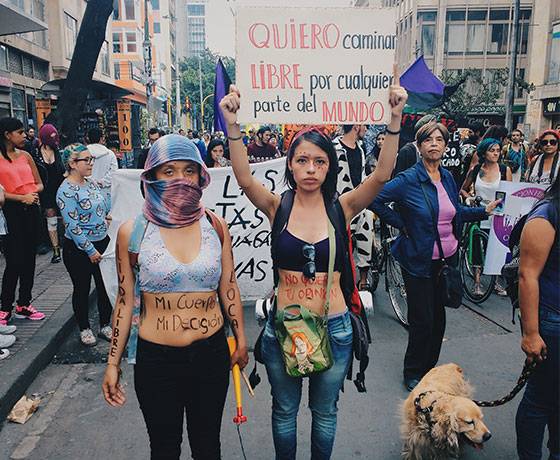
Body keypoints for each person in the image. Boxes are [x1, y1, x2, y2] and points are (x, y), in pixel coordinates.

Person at [220, 69, 408, 459]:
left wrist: (394, 119)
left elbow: (382, 175)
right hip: (283, 328)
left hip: (334, 327)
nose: (309, 168)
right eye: (301, 160)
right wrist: (233, 124)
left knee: (325, 413)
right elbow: (242, 176)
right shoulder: (277, 206)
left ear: (329, 167)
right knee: (284, 411)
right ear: (290, 165)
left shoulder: (342, 207)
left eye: (318, 162)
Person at [101, 134, 249, 459]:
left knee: (208, 447)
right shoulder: (133, 232)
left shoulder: (216, 227)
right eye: (169, 171)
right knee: (165, 449)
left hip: (210, 356)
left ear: (200, 175)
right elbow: (125, 302)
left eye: (188, 170)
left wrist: (240, 339)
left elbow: (229, 287)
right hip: (156, 362)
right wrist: (113, 363)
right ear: (151, 177)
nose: (180, 179)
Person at [370, 121, 500, 392]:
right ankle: (413, 372)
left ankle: (429, 369)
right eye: (428, 140)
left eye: (439, 140)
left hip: (446, 260)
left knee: (439, 320)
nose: (434, 144)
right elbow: (374, 198)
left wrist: (483, 212)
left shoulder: (449, 178)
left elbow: (456, 212)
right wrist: (402, 223)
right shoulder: (408, 179)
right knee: (422, 320)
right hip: (417, 260)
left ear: (444, 145)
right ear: (419, 146)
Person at [515, 175, 559, 460]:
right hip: (553, 321)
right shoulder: (546, 215)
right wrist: (531, 333)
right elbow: (527, 275)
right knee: (540, 399)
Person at [56, 144, 112, 347]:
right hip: (79, 249)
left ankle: (105, 323)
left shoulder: (91, 183)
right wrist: (90, 250)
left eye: (91, 160)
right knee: (82, 288)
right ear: (72, 163)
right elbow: (72, 226)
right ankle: (84, 328)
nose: (91, 164)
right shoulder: (65, 191)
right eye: (86, 160)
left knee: (104, 286)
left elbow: (101, 206)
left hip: (102, 242)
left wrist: (105, 216)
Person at [0, 117, 46, 326]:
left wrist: (32, 193)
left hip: (31, 211)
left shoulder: (26, 156)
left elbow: (39, 183)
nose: (24, 136)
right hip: (11, 212)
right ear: (7, 135)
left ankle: (24, 304)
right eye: (19, 132)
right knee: (14, 261)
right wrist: (21, 197)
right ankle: (5, 307)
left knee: (29, 259)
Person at [460, 138, 512, 296]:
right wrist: (468, 198)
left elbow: (509, 193)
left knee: (495, 249)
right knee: (477, 248)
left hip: (497, 216)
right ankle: (477, 282)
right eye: (492, 150)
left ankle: (495, 282)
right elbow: (463, 189)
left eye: (497, 150)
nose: (495, 153)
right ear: (484, 152)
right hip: (479, 213)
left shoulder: (504, 170)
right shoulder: (476, 170)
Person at [333, 124, 373, 289]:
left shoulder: (361, 150)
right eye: (365, 126)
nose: (367, 130)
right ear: (357, 126)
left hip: (359, 204)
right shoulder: (333, 149)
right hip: (339, 206)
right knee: (340, 246)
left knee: (366, 237)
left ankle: (363, 281)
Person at [35, 124, 65, 264]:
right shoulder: (35, 154)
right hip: (46, 192)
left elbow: (63, 171)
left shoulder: (59, 152)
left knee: (66, 217)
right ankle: (55, 249)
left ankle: (71, 243)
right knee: (51, 218)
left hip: (61, 190)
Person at [86, 127, 118, 210]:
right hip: (105, 193)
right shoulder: (110, 154)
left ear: (88, 138)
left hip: (86, 193)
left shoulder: (83, 154)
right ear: (101, 138)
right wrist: (102, 182)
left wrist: (91, 181)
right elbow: (114, 173)